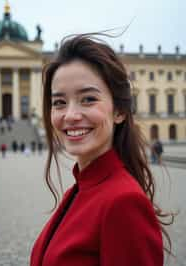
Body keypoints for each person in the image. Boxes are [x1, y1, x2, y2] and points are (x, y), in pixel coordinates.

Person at [30, 34, 174, 266]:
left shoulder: (124, 202)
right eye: (59, 102)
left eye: (88, 99)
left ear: (119, 111)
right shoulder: (78, 189)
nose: (71, 115)